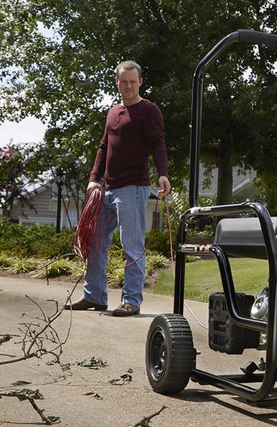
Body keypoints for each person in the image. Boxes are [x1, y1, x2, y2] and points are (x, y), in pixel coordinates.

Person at [65, 60, 171, 317]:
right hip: (106, 189)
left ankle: (131, 301)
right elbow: (103, 147)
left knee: (132, 245)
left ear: (140, 82)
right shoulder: (112, 112)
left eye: (133, 81)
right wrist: (93, 178)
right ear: (117, 82)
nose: (128, 86)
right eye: (123, 81)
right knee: (94, 241)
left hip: (133, 188)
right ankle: (94, 296)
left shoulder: (149, 111)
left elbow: (157, 143)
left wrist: (163, 174)